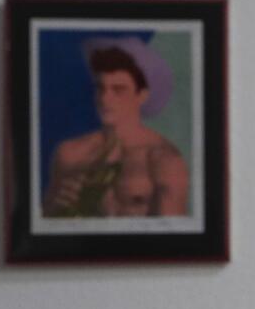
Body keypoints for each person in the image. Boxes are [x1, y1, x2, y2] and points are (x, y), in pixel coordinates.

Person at [42, 37, 189, 219]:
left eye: (118, 90)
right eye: (100, 88)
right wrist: (54, 207)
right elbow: (44, 228)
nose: (105, 99)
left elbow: (172, 240)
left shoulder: (164, 160)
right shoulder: (69, 153)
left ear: (142, 95)